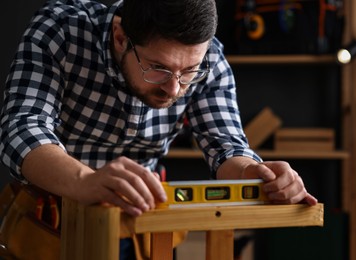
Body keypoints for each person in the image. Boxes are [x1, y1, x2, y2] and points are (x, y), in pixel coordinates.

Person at [0, 0, 317, 259]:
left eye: (189, 71)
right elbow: (23, 128)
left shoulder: (211, 59)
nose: (174, 88)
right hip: (49, 222)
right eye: (158, 68)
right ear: (120, 36)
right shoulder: (62, 30)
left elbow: (226, 148)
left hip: (141, 224)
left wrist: (258, 175)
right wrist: (86, 181)